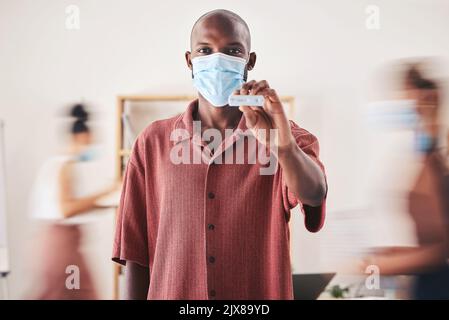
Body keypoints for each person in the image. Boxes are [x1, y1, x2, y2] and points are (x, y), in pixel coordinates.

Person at [112, 9, 327, 300]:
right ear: (189, 60)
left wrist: (283, 147)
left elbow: (315, 194)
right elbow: (134, 251)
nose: (217, 59)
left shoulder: (285, 135)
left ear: (249, 61)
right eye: (205, 50)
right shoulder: (152, 142)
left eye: (232, 50)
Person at [360, 65, 449, 299]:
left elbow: (440, 252)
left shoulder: (437, 163)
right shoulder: (425, 157)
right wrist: (388, 255)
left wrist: (379, 265)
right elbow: (430, 241)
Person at [29, 104, 119, 299]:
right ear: (81, 138)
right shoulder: (63, 166)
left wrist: (106, 205)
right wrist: (106, 191)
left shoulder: (58, 166)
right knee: (76, 292)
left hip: (61, 243)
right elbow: (66, 209)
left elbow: (72, 206)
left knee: (74, 292)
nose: (92, 146)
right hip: (61, 244)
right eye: (91, 141)